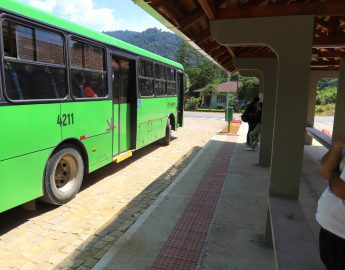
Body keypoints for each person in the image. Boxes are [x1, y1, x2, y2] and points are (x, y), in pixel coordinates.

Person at [316, 133, 345, 269]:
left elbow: (342, 190)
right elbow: (324, 171)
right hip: (331, 230)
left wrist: (334, 176)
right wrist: (338, 145)